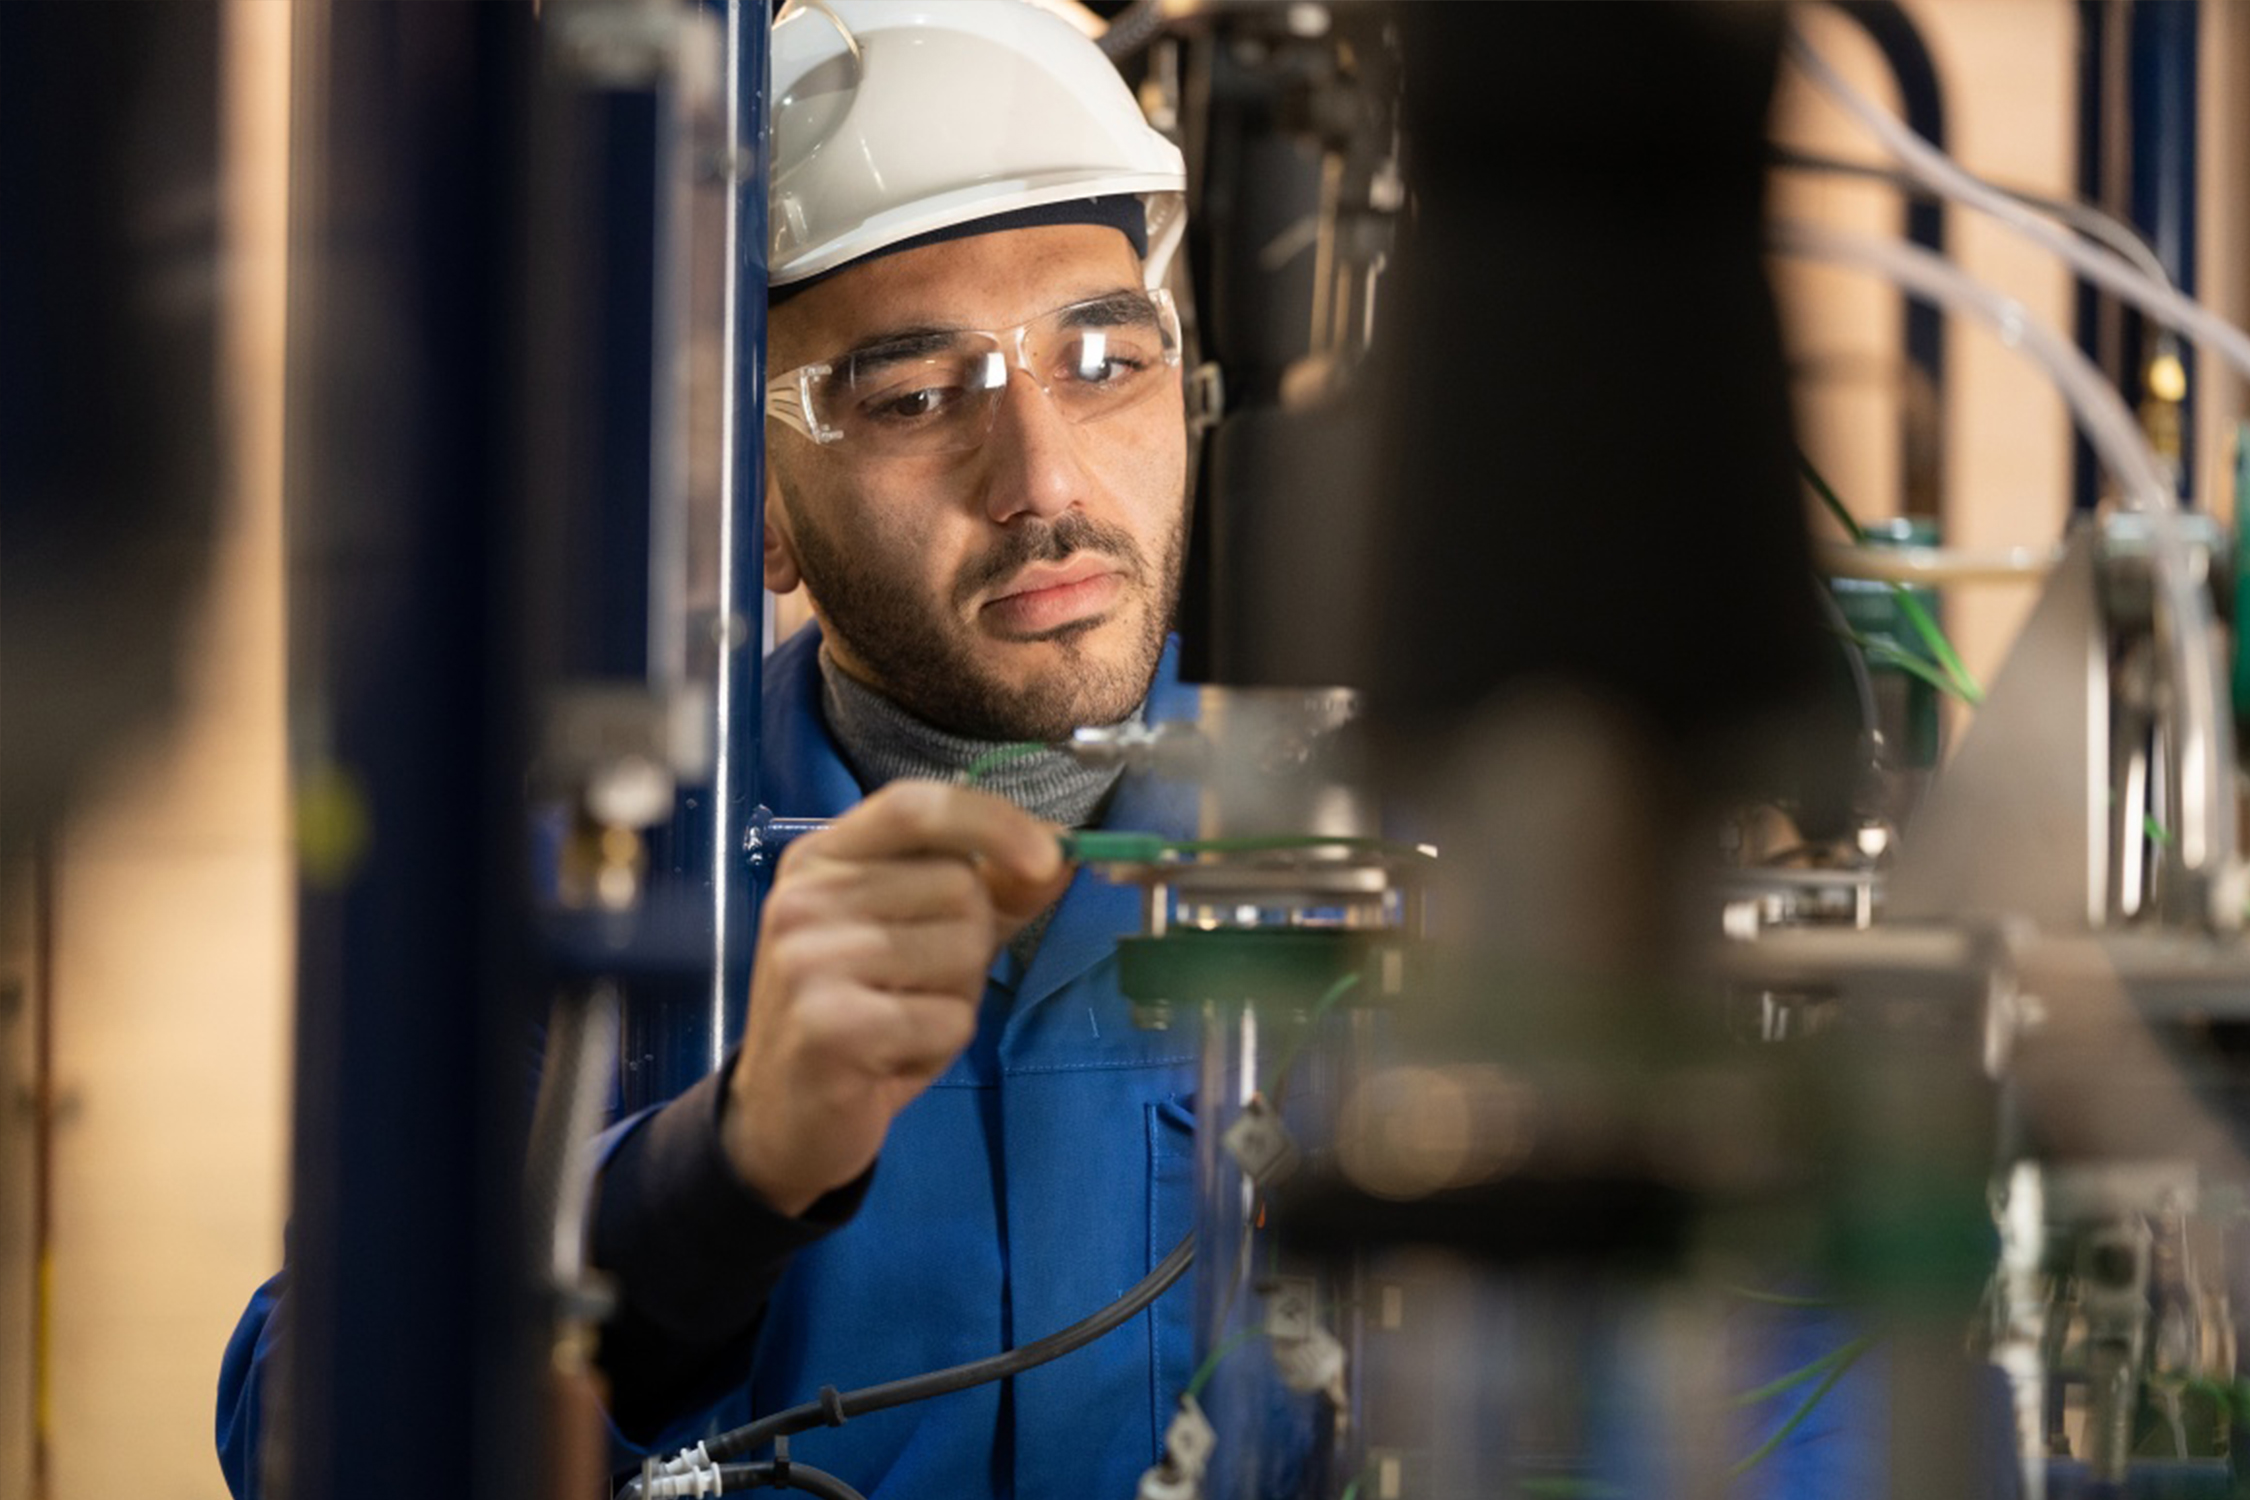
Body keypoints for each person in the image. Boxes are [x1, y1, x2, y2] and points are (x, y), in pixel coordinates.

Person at [219, 3, 1202, 1496]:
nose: (1043, 481)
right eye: (917, 398)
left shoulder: (1361, 837)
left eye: (1102, 361)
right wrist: (717, 1181)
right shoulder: (611, 872)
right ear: (750, 504)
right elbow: (308, 1426)